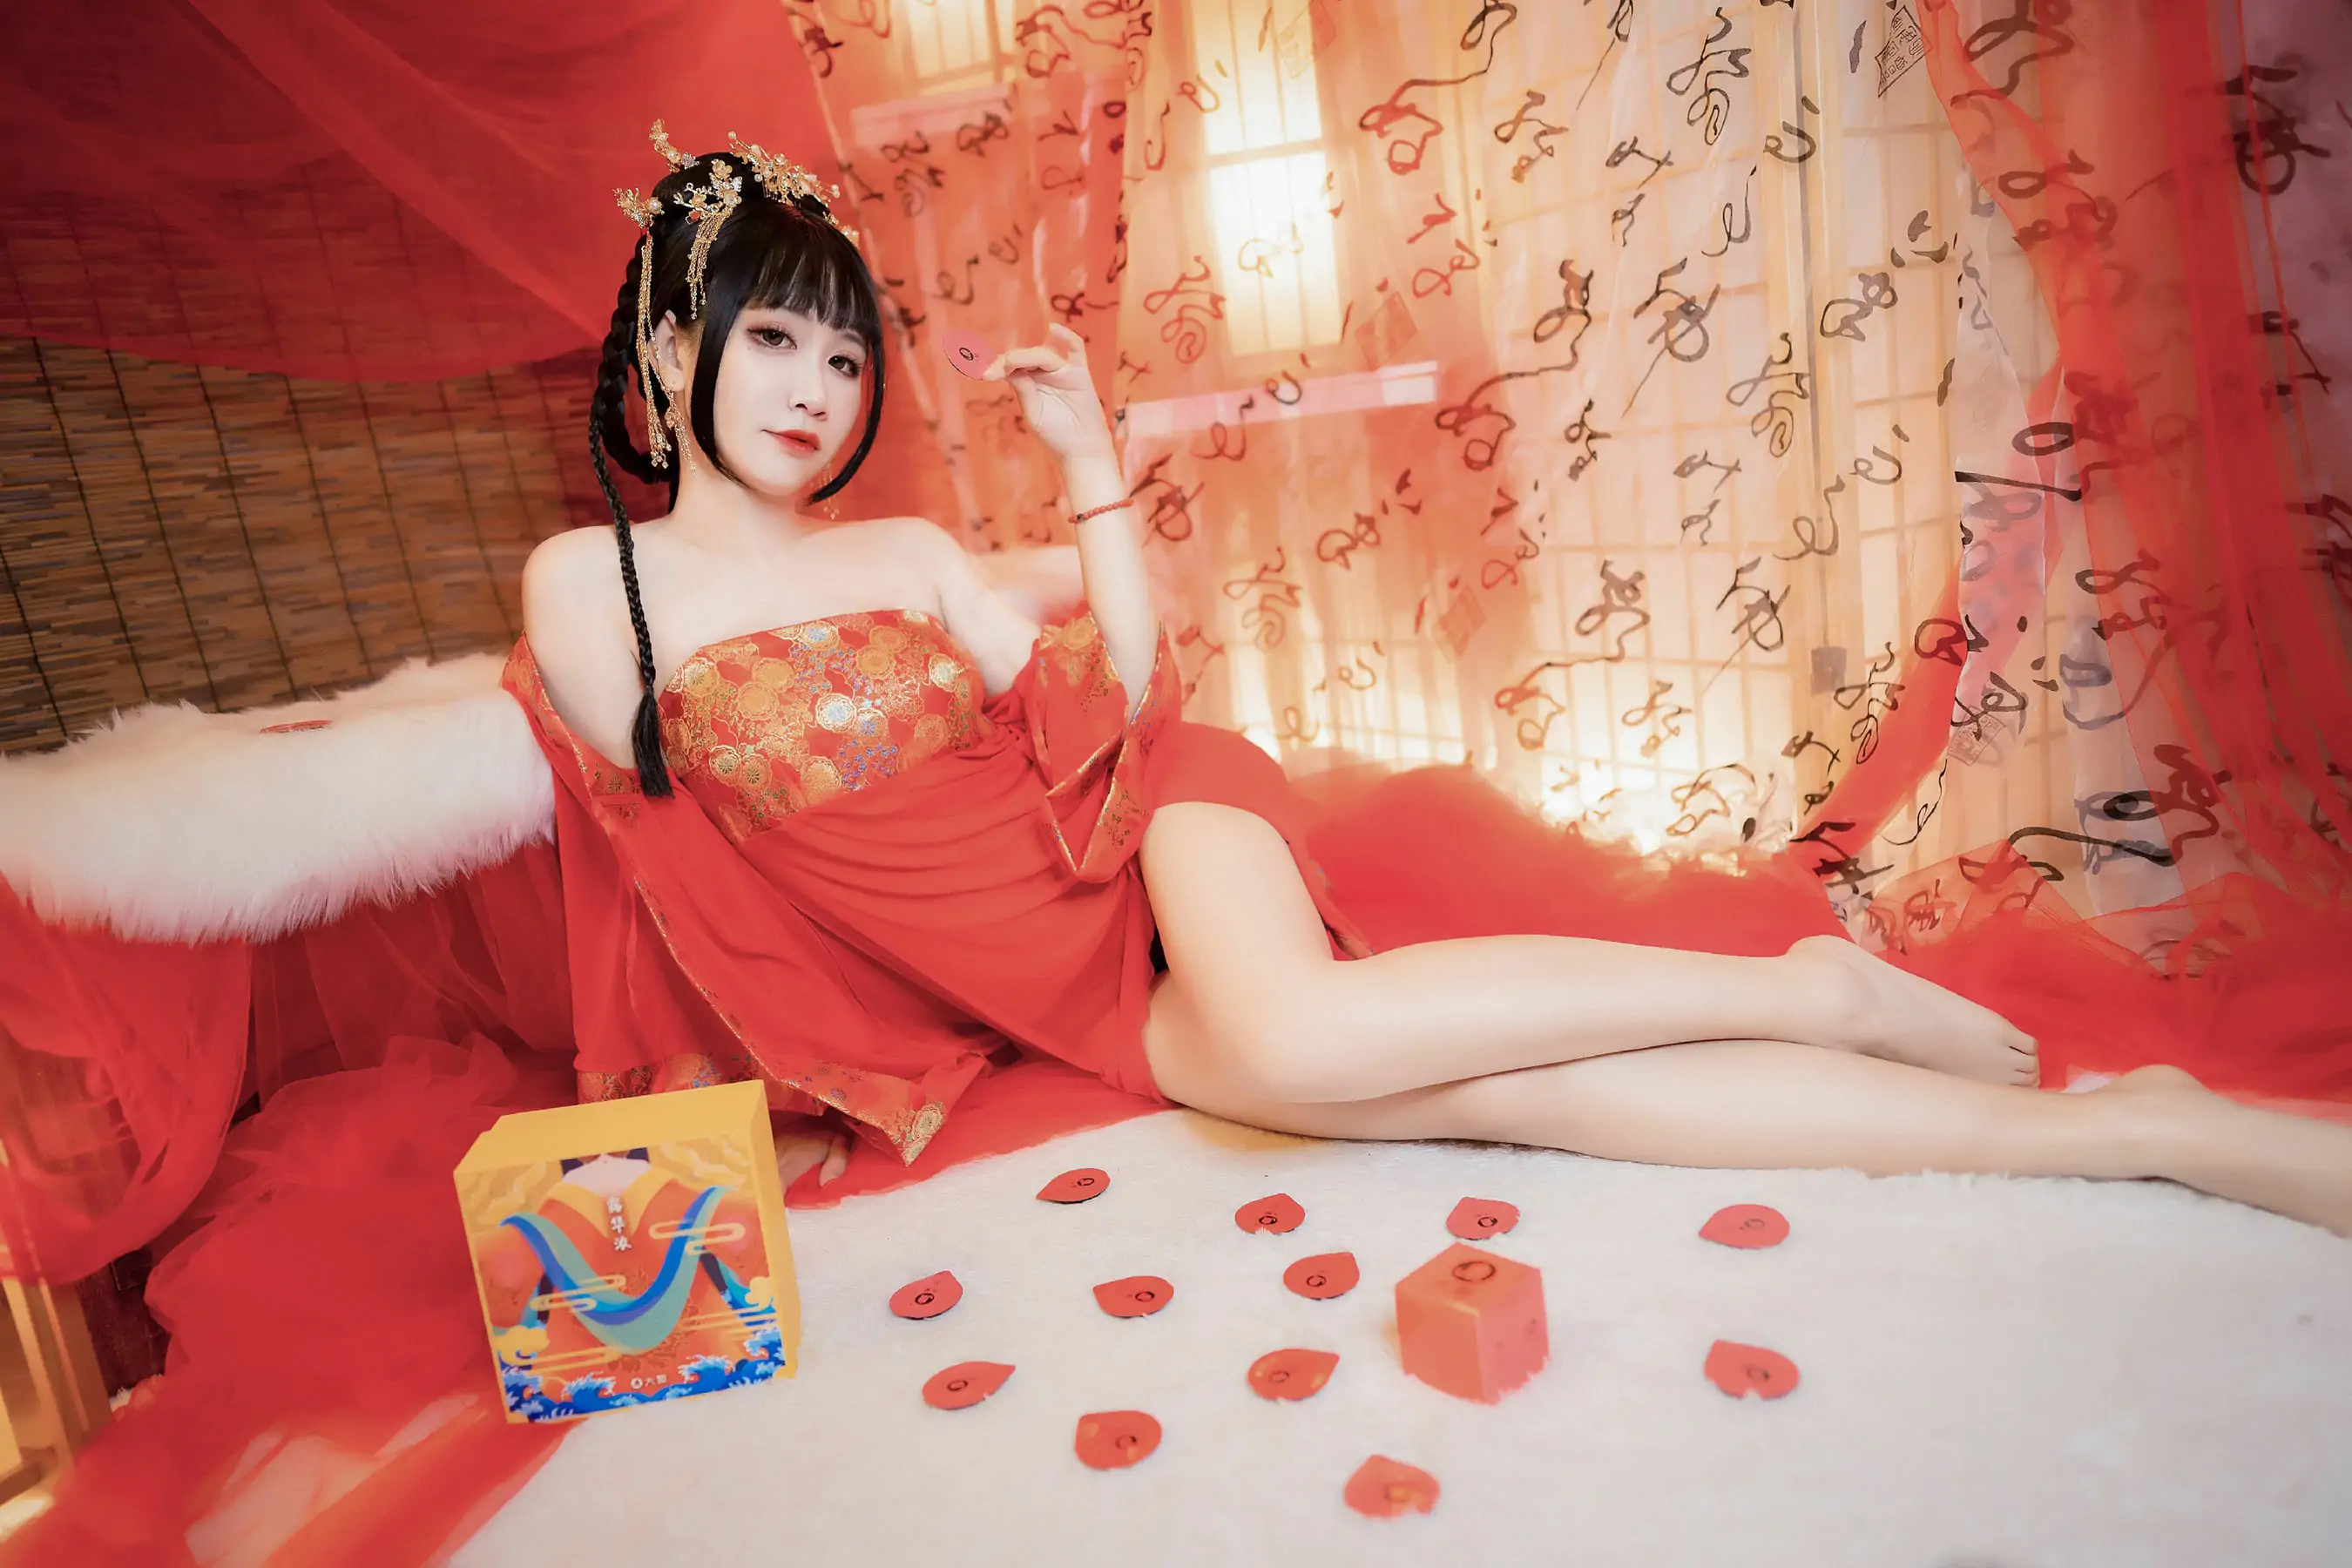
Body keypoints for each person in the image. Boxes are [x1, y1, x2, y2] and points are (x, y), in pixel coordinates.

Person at [513, 129, 2351, 1237]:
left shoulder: (909, 556)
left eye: (846, 357)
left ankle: (1804, 990)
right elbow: (650, 820)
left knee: (1303, 1039)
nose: (818, 389)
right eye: (774, 338)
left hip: (1147, 837)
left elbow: (1122, 702)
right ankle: (2133, 1132)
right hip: (1059, 995)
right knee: (1506, 1092)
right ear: (672, 345)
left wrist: (1085, 473)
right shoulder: (590, 587)